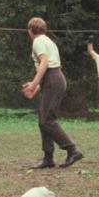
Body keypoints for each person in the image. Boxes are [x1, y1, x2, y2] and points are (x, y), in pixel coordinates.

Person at [22, 17, 82, 169]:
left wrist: (34, 83)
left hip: (52, 78)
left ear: (30, 30)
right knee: (43, 119)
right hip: (52, 79)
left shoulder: (38, 41)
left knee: (47, 120)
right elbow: (46, 66)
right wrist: (36, 88)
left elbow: (45, 62)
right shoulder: (47, 40)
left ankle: (72, 150)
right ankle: (48, 158)